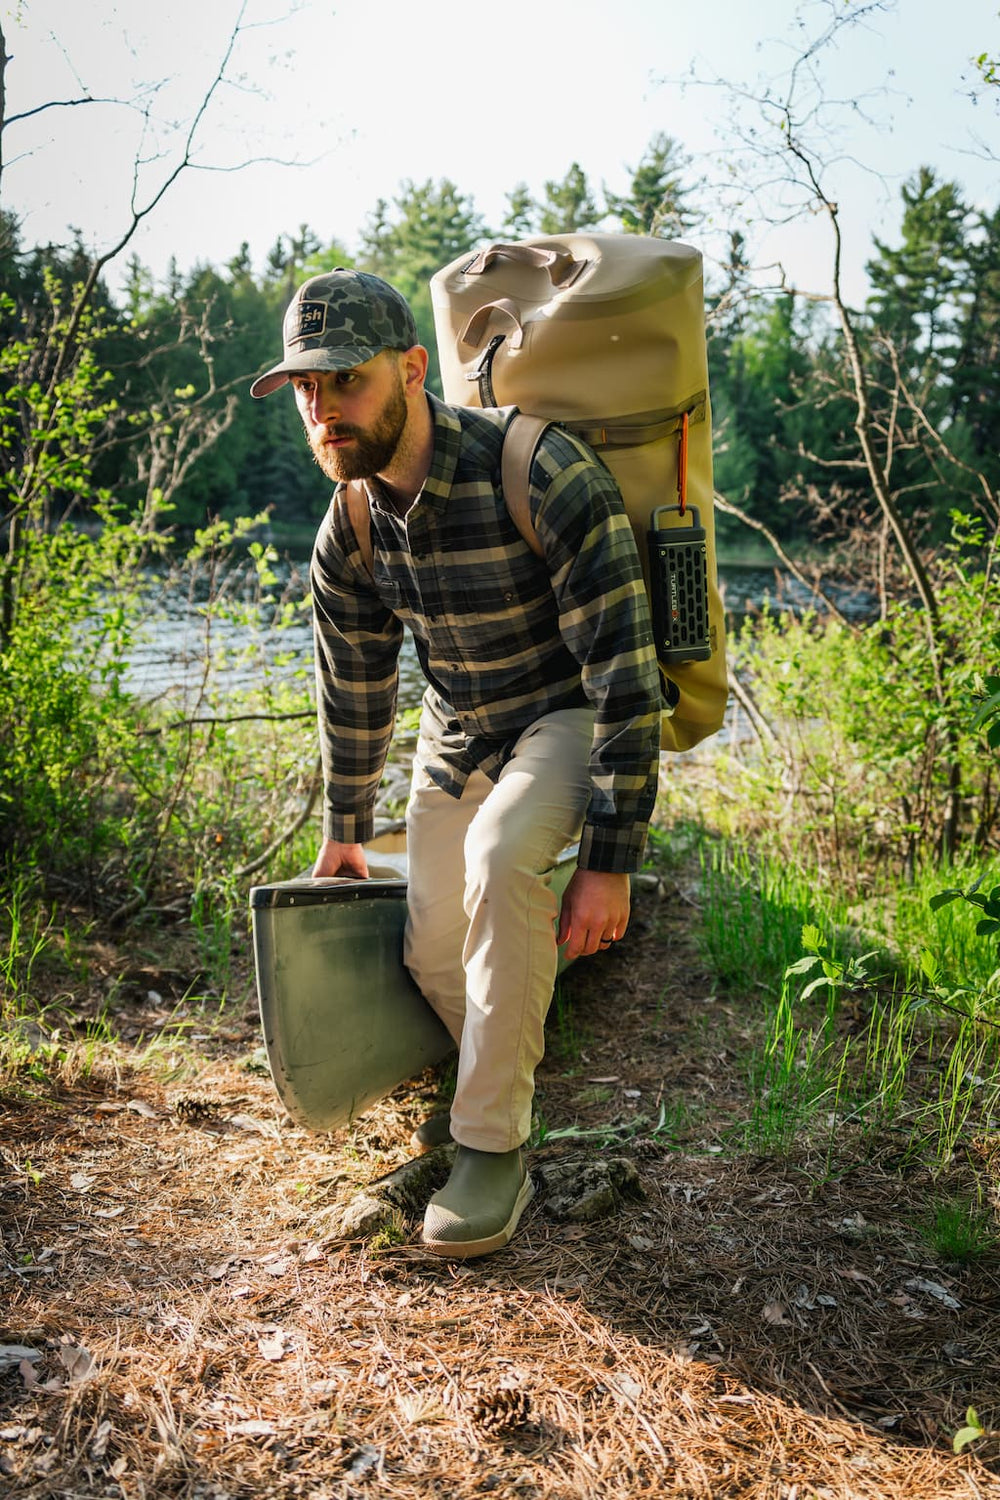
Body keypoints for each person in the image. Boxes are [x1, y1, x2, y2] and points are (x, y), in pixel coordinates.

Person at [251, 268, 662, 1259]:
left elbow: (625, 677)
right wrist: (346, 831)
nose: (323, 409)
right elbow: (355, 690)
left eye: (345, 381)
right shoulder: (347, 529)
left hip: (563, 712)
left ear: (410, 369)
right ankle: (498, 1049)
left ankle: (490, 1149)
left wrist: (608, 863)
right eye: (305, 388)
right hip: (457, 730)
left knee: (500, 858)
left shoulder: (542, 471)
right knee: (433, 947)